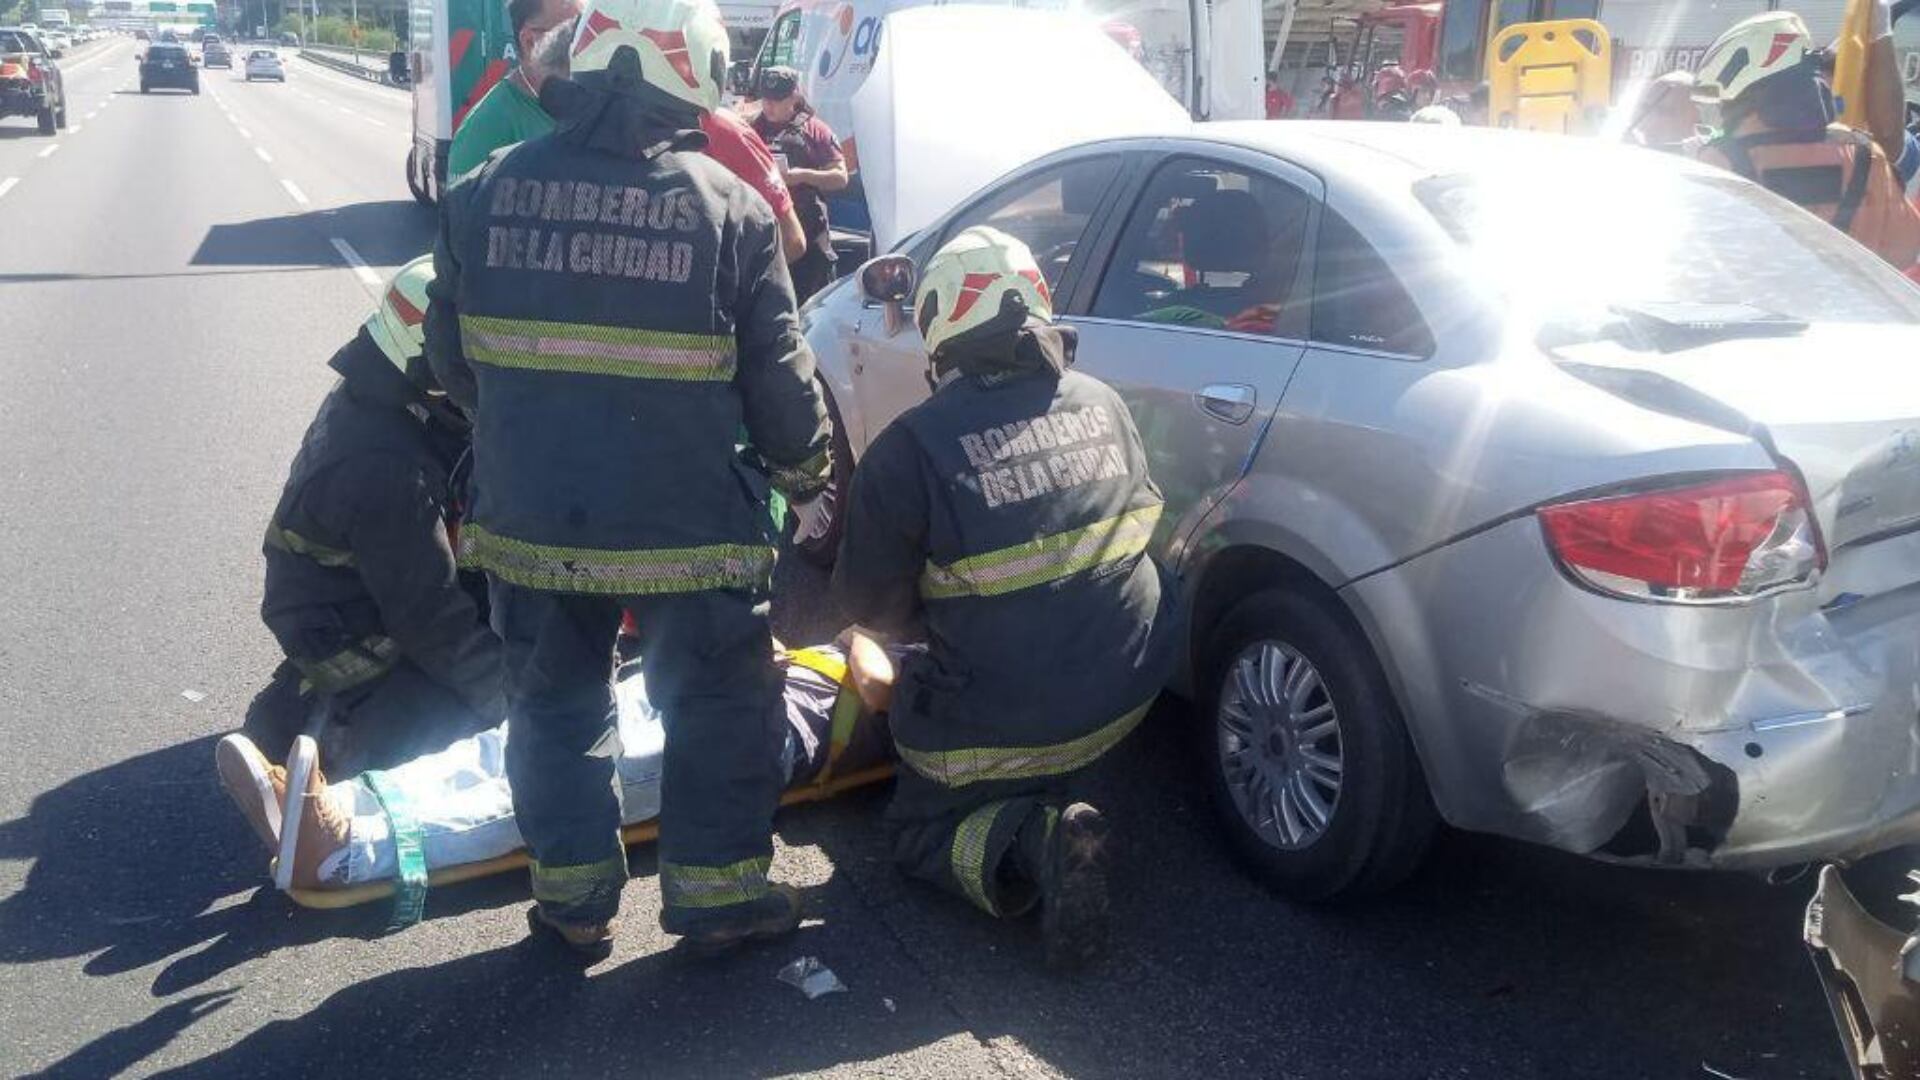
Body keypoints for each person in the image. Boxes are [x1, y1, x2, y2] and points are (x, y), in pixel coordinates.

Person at [425, 0, 834, 958]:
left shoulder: (481, 190)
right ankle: (715, 901)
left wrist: (525, 433)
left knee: (553, 709)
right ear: (690, 76)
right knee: (719, 706)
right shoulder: (727, 212)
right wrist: (806, 474)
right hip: (688, 530)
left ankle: (572, 907)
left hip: (529, 519)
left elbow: (449, 359)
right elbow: (782, 386)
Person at [831, 227, 1178, 971]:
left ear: (941, 332)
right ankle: (1058, 779)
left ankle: (1037, 842)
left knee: (916, 832)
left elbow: (874, 607)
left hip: (1004, 718)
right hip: (1130, 699)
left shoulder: (908, 450)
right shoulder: (1105, 402)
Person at [217, 635, 905, 895]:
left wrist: (866, 635)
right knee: (520, 743)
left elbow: (876, 681)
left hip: (755, 739)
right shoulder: (952, 642)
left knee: (560, 785)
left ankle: (346, 853)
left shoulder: (946, 681)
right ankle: (344, 802)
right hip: (716, 687)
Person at [244, 255, 503, 780]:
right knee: (456, 740)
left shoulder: (387, 397)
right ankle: (319, 737)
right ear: (429, 361)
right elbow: (431, 621)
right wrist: (518, 707)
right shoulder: (384, 465)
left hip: (373, 591)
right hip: (349, 629)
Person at [1693, 10, 1920, 269]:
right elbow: (1904, 254)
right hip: (1848, 308)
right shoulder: (1865, 156)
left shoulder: (1718, 162)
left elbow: (1698, 262)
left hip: (1762, 307)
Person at [445, 0, 583, 179]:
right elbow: (461, 205)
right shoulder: (485, 128)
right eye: (570, 37)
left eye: (588, 34)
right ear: (530, 42)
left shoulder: (589, 108)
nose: (585, 49)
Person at [750, 66, 848, 301]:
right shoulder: (751, 128)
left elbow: (840, 177)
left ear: (794, 97)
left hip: (808, 240)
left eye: (777, 100)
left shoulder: (815, 130)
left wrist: (803, 175)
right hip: (763, 235)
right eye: (766, 99)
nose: (769, 106)